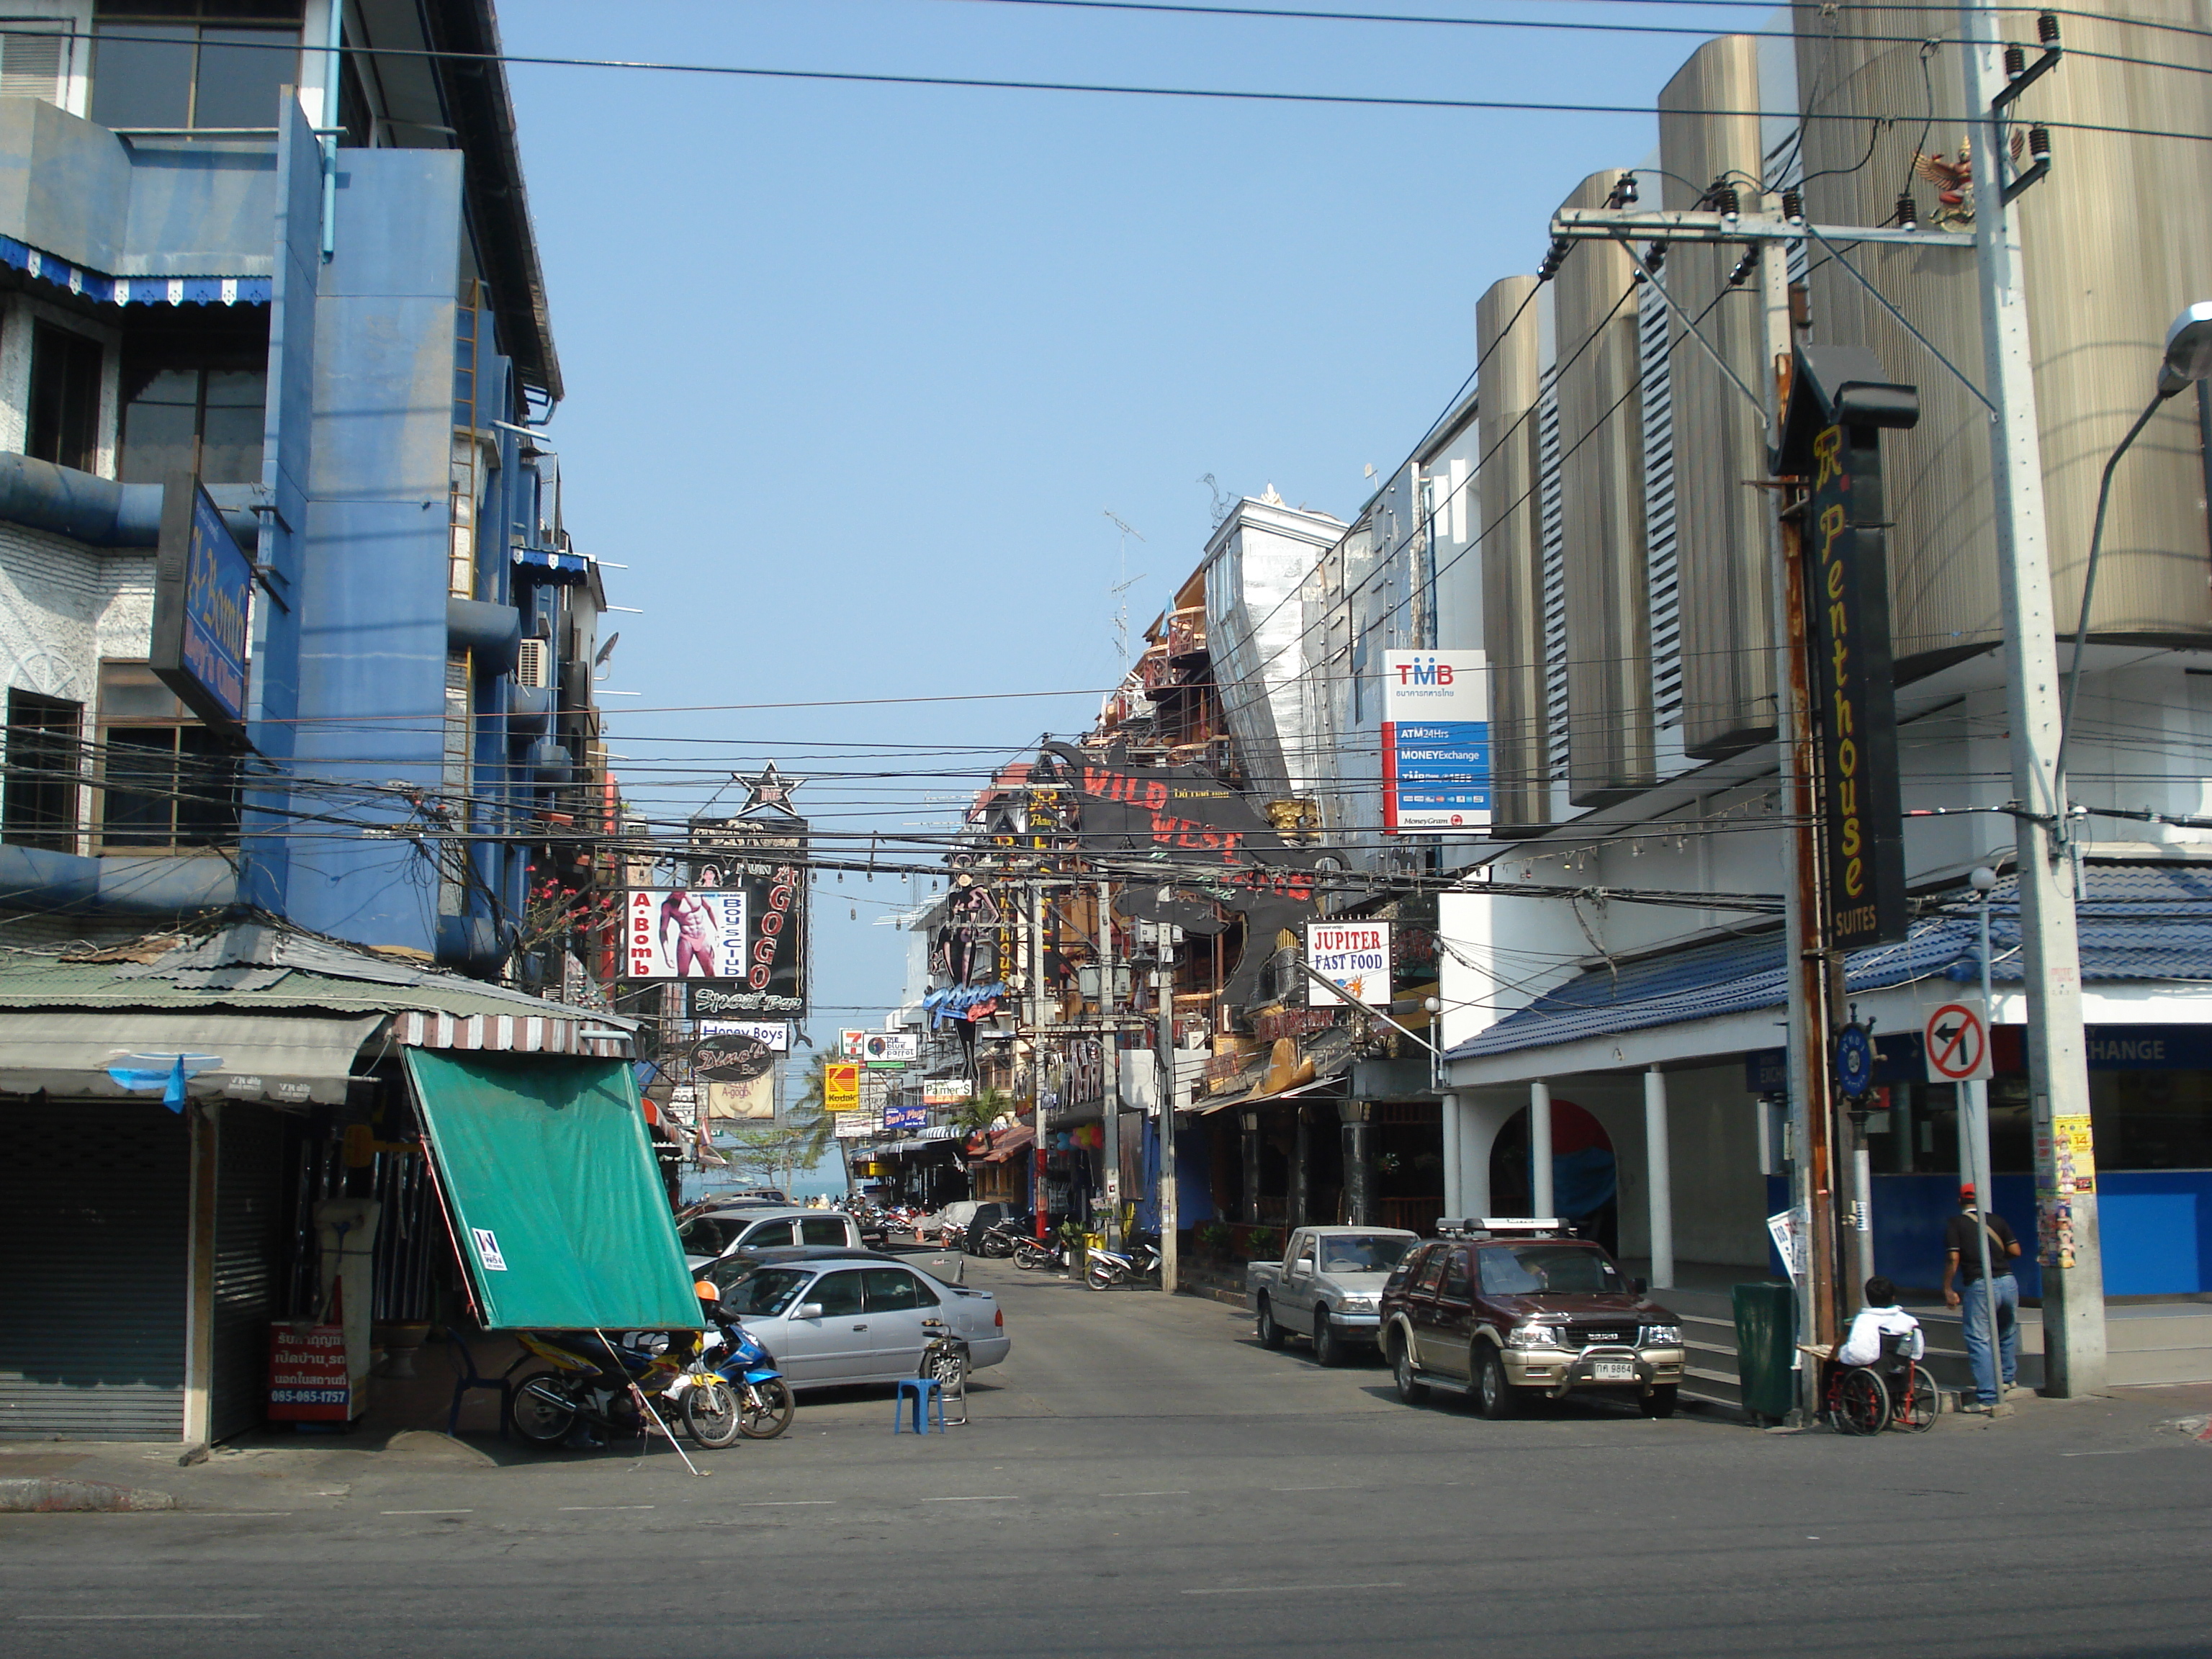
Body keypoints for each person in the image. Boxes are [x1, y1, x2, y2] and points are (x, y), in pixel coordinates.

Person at [1943, 1184, 2024, 1411]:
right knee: (2007, 1330)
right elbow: (2016, 1251)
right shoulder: (1996, 1221)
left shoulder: (1955, 1224)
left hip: (1979, 1284)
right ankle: (2007, 1378)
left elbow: (1953, 1259)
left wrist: (1948, 1288)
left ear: (1960, 1201)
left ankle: (1987, 1397)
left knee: (1979, 1338)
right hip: (2008, 1282)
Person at [1837, 1275, 1923, 1368]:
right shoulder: (1909, 1320)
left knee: (1833, 1364)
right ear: (1893, 1297)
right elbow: (1917, 1351)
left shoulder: (1865, 1320)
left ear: (1868, 1298)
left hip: (1874, 1368)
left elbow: (1858, 1354)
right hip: (1900, 1367)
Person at [657, 886, 721, 978]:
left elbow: (709, 908)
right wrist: (667, 956)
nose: (678, 897)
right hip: (686, 938)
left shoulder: (696, 894)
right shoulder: (668, 905)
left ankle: (712, 990)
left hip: (702, 937)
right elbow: (663, 930)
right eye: (676, 895)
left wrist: (718, 930)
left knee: (710, 972)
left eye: (680, 894)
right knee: (683, 974)